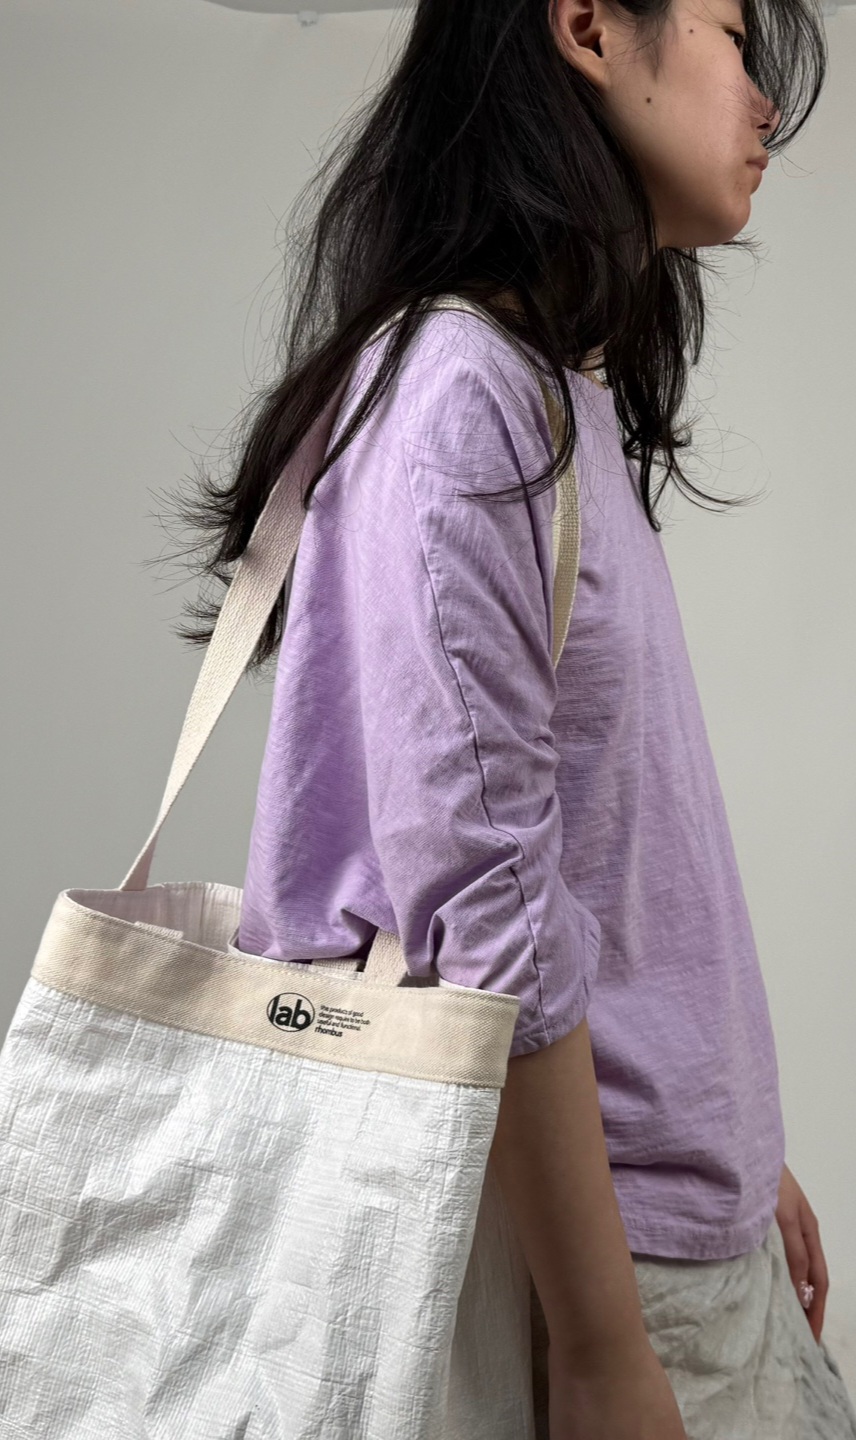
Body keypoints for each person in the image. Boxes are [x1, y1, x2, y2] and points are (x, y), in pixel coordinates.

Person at [161, 0, 856, 1434]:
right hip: (593, 1282)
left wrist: (730, 1146)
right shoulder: (462, 389)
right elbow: (488, 907)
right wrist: (600, 1348)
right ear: (589, 27)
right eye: (733, 35)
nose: (767, 105)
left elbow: (610, 849)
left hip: (671, 1225)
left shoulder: (555, 390)